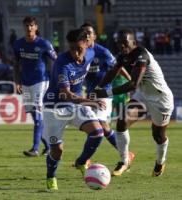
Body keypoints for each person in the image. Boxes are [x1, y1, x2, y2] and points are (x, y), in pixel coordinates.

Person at [94, 29, 174, 177]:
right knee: (122, 122)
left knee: (158, 135)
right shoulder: (122, 56)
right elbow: (113, 71)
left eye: (125, 43)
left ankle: (160, 161)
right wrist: (98, 88)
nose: (122, 47)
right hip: (143, 95)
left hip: (160, 99)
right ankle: (124, 161)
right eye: (120, 44)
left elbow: (132, 85)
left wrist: (106, 92)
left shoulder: (142, 55)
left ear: (134, 43)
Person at [43, 28, 106, 190]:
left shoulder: (91, 53)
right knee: (57, 150)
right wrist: (89, 101)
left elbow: (97, 47)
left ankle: (81, 162)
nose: (75, 53)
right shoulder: (62, 63)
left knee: (98, 133)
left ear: (86, 44)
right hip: (55, 107)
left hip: (76, 105)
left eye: (79, 49)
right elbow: (66, 94)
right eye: (71, 49)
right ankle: (51, 177)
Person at [74, 23, 134, 167]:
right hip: (89, 95)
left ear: (94, 36)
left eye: (89, 33)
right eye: (84, 33)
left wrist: (130, 80)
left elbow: (117, 68)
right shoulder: (80, 53)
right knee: (98, 128)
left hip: (104, 94)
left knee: (101, 125)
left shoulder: (103, 52)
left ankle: (88, 159)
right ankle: (127, 154)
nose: (87, 36)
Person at [13, 16, 57, 157]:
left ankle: (35, 148)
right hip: (26, 83)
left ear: (36, 27)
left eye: (31, 25)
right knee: (34, 115)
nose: (29, 28)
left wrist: (58, 78)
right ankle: (49, 146)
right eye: (26, 25)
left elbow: (57, 60)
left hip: (41, 82)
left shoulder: (44, 44)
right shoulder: (18, 44)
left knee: (37, 116)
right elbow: (16, 64)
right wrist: (17, 82)